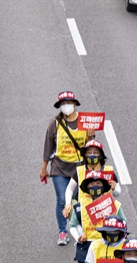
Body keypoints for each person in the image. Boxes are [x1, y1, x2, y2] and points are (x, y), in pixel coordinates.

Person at [39, 90, 94, 247]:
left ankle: (82, 228)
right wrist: (44, 168)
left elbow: (90, 149)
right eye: (63, 104)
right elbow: (48, 147)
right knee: (62, 199)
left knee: (81, 200)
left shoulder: (85, 122)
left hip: (80, 168)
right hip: (59, 168)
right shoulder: (54, 124)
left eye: (69, 103)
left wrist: (90, 137)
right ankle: (63, 231)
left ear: (75, 104)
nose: (66, 106)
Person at [67, 170, 126, 263]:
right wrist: (78, 236)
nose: (95, 186)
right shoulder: (79, 206)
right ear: (86, 187)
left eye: (98, 182)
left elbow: (124, 224)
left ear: (103, 185)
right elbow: (72, 225)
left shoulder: (114, 204)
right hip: (86, 247)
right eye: (91, 184)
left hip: (111, 249)